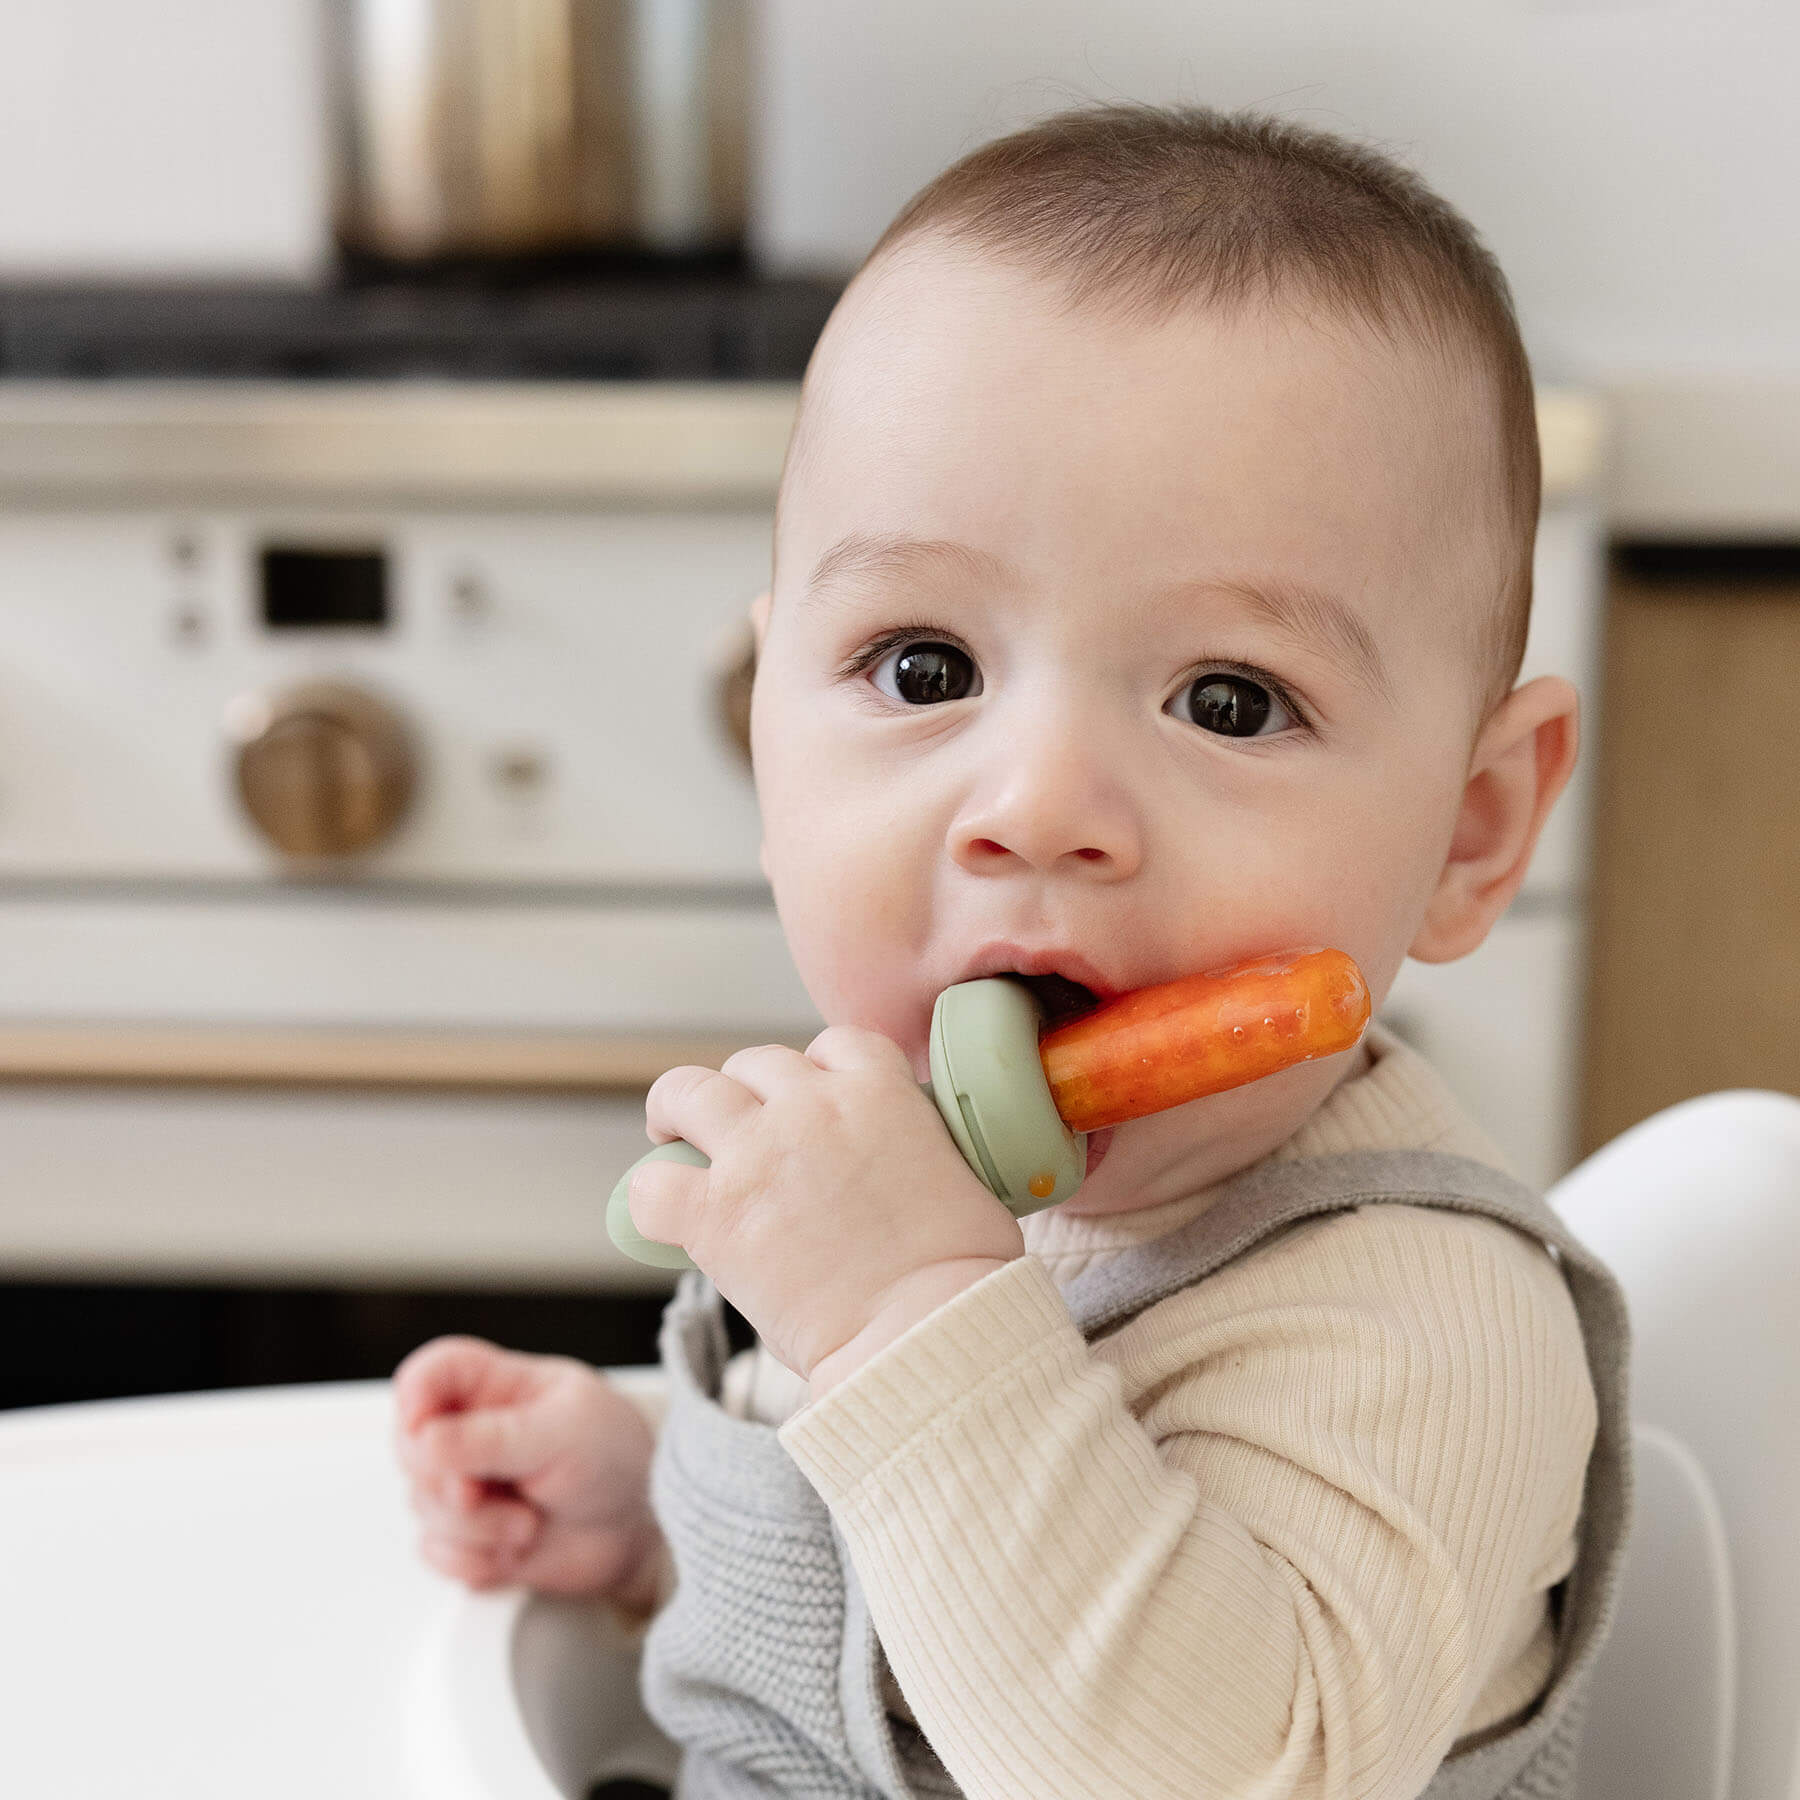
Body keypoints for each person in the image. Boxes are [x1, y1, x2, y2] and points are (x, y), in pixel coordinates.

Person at [394, 106, 1628, 1800]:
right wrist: (659, 1510)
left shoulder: (1424, 1331)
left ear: (1471, 831)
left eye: (1228, 701)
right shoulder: (912, 1190)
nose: (1039, 805)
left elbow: (1205, 1765)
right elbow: (918, 1580)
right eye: (923, 669)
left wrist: (905, 1312)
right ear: (766, 733)